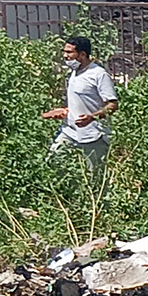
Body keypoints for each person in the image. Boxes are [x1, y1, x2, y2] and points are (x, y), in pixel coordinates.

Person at [43, 35, 118, 188]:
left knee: (95, 179)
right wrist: (65, 111)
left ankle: (96, 202)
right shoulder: (74, 73)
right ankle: (70, 194)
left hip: (94, 135)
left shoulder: (98, 74)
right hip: (70, 131)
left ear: (82, 54)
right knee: (52, 162)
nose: (65, 56)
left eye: (69, 52)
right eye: (64, 52)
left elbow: (112, 105)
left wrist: (92, 117)